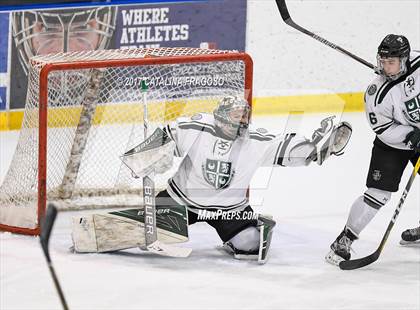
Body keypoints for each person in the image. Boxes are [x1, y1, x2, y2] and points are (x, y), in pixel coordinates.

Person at [116, 95, 352, 263]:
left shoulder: (256, 141)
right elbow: (167, 137)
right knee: (139, 232)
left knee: (251, 244)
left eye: (244, 117)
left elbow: (287, 146)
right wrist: (144, 158)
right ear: (220, 117)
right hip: (182, 201)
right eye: (236, 117)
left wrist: (318, 148)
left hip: (229, 209)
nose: (241, 122)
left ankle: (239, 234)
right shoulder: (197, 126)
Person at [325, 34, 420, 265]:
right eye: (383, 62)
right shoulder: (376, 92)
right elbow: (384, 128)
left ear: (405, 59)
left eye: (392, 62)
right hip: (393, 144)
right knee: (377, 194)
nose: (386, 67)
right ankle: (345, 239)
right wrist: (410, 136)